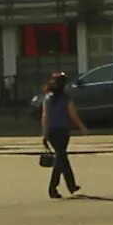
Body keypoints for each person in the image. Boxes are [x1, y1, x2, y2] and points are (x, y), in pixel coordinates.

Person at [38, 71, 83, 199]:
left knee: (61, 157)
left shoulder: (47, 98)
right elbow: (72, 114)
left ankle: (70, 185)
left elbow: (45, 116)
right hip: (63, 131)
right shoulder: (66, 98)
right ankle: (54, 187)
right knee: (61, 157)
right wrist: (81, 127)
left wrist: (44, 133)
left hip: (52, 131)